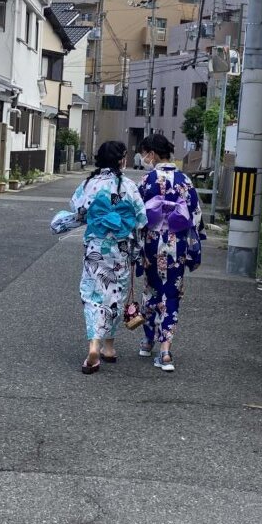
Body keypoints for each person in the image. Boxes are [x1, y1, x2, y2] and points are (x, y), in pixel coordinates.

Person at [70, 140, 147, 374]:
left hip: (96, 245)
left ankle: (94, 344)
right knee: (115, 295)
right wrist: (137, 250)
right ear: (121, 160)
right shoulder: (129, 185)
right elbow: (141, 219)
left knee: (92, 294)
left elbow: (77, 209)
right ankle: (109, 348)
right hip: (120, 249)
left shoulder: (89, 183)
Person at [137, 132, 203, 372]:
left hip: (152, 243)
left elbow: (138, 215)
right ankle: (165, 351)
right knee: (171, 294)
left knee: (151, 289)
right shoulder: (185, 180)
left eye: (145, 153)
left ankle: (147, 341)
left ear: (152, 154)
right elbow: (195, 215)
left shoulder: (147, 180)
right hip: (176, 245)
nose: (144, 157)